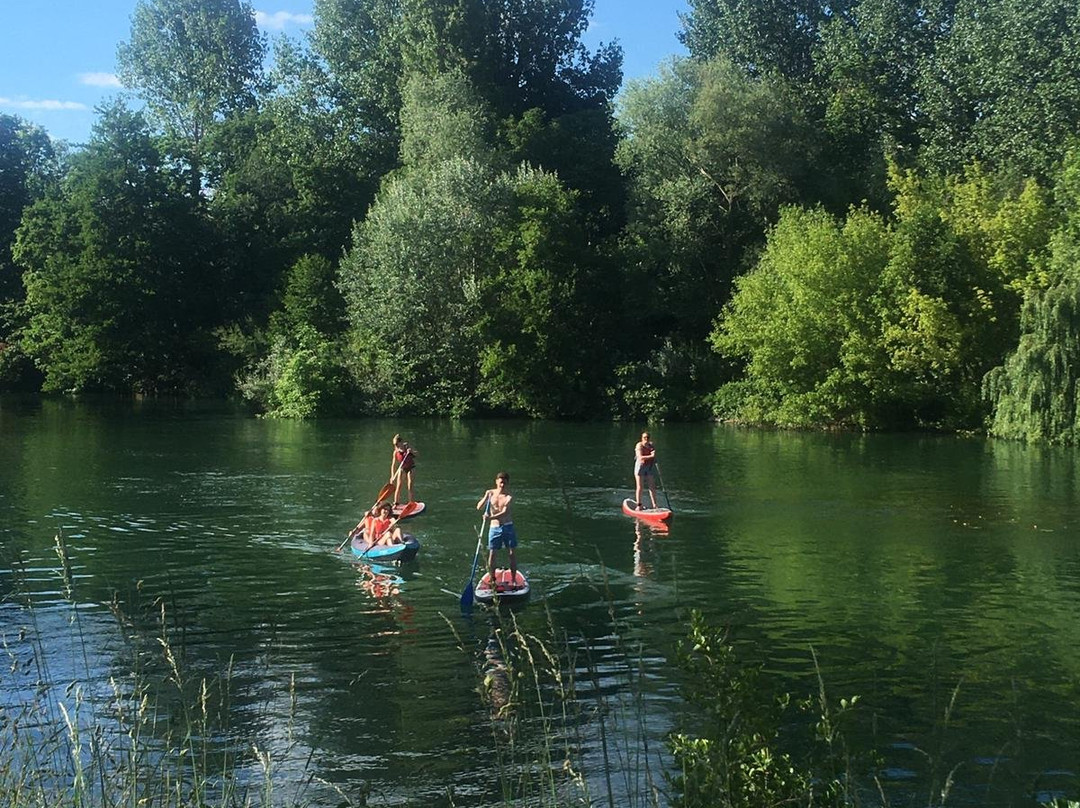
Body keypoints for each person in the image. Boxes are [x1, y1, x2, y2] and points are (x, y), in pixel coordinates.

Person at [476, 471, 519, 588]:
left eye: (504, 483)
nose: (502, 485)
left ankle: (514, 579)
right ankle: (492, 578)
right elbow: (479, 507)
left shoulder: (508, 497)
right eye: (500, 483)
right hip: (494, 528)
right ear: (496, 482)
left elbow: (504, 513)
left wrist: (490, 517)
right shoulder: (490, 494)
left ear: (507, 483)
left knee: (511, 553)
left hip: (507, 526)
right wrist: (485, 498)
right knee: (492, 554)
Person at [633, 431, 658, 510]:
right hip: (640, 467)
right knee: (640, 486)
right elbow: (640, 457)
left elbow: (653, 456)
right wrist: (651, 456)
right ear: (642, 438)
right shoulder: (639, 445)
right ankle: (639, 505)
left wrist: (654, 457)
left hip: (649, 467)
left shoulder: (651, 446)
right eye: (644, 437)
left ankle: (654, 505)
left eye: (647, 437)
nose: (646, 439)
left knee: (652, 486)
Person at [391, 434, 417, 506]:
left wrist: (411, 451)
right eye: (395, 444)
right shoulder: (396, 452)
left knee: (410, 485)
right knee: (398, 485)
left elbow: (417, 454)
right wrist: (392, 476)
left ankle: (411, 503)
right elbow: (393, 465)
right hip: (402, 468)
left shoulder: (408, 447)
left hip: (411, 467)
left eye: (397, 444)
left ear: (401, 442)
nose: (396, 446)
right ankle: (396, 503)